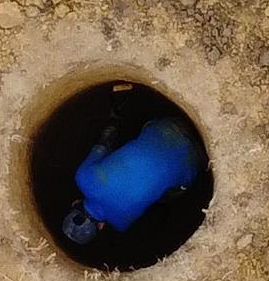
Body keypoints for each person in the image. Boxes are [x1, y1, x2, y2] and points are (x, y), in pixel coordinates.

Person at [62, 97, 206, 245]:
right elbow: (106, 141)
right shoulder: (83, 177)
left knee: (169, 191)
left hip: (195, 159)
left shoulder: (122, 224)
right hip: (169, 127)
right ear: (74, 204)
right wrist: (114, 117)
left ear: (101, 226)